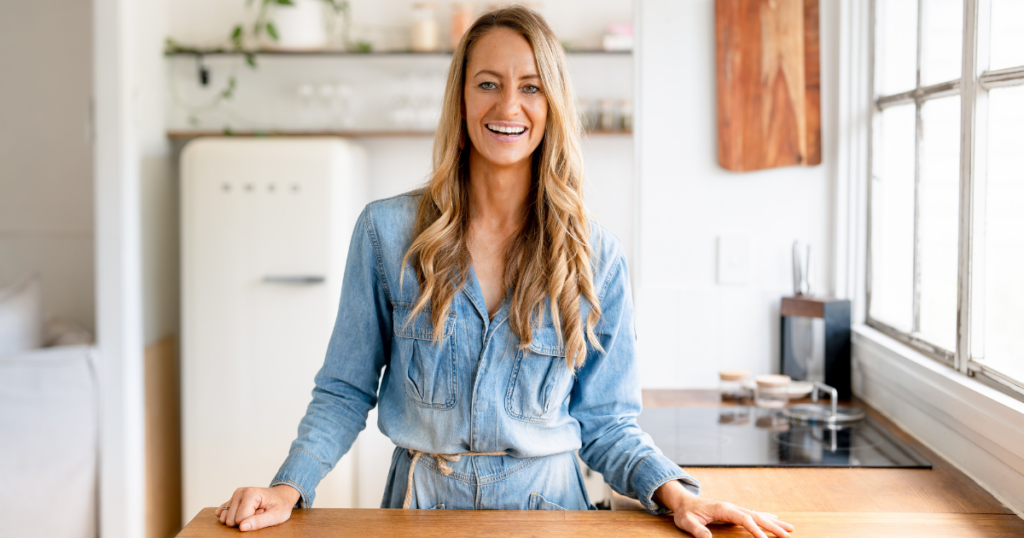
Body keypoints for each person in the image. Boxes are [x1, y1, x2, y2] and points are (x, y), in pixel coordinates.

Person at [214, 7, 794, 538]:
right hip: (420, 514)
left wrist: (676, 493)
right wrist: (289, 484)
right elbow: (344, 389)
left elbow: (608, 422)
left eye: (531, 87)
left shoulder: (596, 256)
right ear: (462, 98)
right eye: (487, 83)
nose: (507, 107)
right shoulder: (385, 234)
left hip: (551, 516)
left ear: (553, 104)